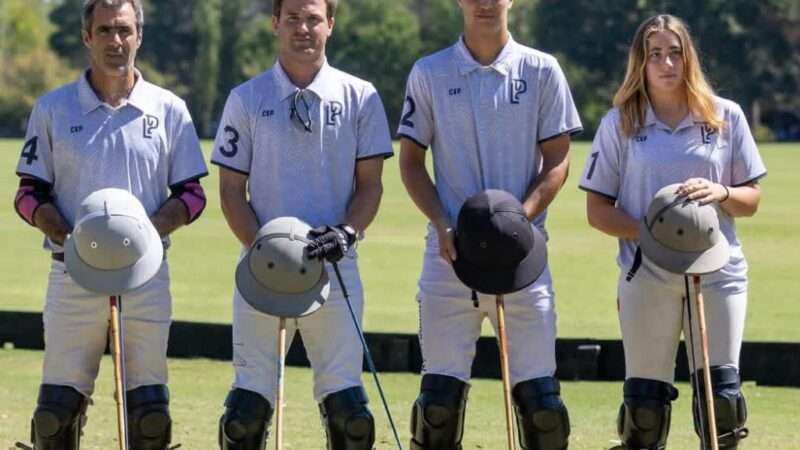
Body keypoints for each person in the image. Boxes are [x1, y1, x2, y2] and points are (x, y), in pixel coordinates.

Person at [12, 0, 208, 448]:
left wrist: (146, 233)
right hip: (71, 272)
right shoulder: (53, 109)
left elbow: (192, 196)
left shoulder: (170, 109)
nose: (115, 41)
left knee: (150, 417)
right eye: (104, 31)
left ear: (139, 35)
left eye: (124, 30)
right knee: (53, 416)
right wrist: (69, 235)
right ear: (87, 37)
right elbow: (28, 195)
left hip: (146, 276)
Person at [397, 1, 582, 448]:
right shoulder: (429, 72)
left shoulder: (542, 70)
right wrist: (441, 222)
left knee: (542, 410)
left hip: (522, 260)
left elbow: (558, 160)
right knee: (437, 409)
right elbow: (411, 162)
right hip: (450, 259)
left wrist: (518, 224)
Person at [210, 0, 393, 448]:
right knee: (244, 416)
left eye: (313, 18)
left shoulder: (361, 96)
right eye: (292, 18)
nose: (303, 28)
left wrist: (347, 234)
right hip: (262, 271)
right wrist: (267, 251)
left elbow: (371, 186)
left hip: (334, 270)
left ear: (330, 25)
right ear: (275, 23)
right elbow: (232, 190)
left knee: (350, 417)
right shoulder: (247, 98)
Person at [579, 14, 765, 450]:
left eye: (675, 53)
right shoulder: (620, 123)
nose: (666, 64)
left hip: (718, 273)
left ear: (689, 58)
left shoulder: (725, 117)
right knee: (644, 411)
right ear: (640, 64)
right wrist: (653, 235)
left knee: (722, 401)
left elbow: (751, 199)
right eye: (655, 55)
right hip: (647, 273)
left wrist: (721, 191)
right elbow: (597, 210)